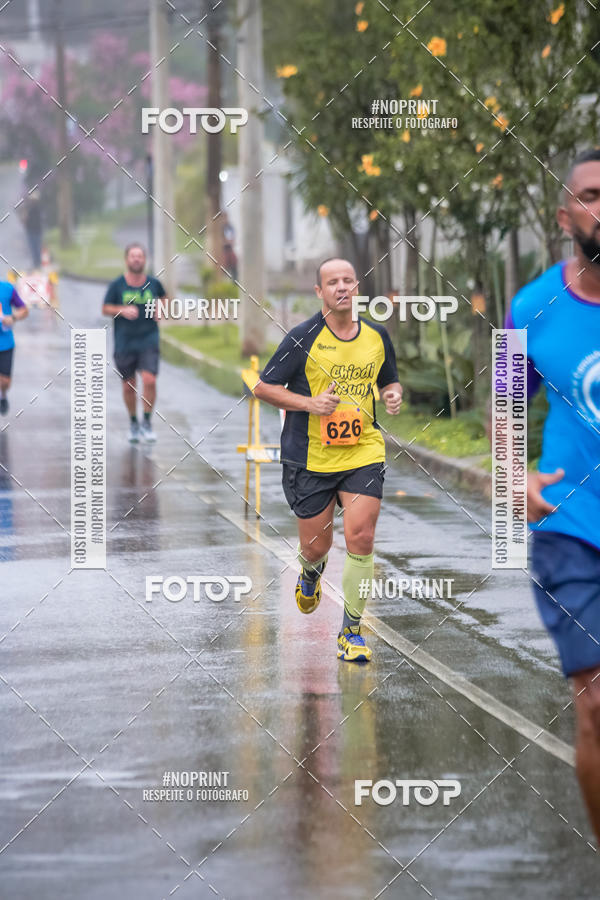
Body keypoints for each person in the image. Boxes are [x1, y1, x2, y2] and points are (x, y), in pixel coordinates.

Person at [505, 148, 600, 843]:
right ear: (566, 218)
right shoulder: (530, 307)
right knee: (595, 704)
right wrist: (514, 474)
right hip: (573, 528)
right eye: (591, 195)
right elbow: (506, 405)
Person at [254, 257, 402, 662]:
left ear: (357, 287)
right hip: (310, 457)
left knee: (362, 537)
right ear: (319, 291)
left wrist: (392, 394)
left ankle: (351, 632)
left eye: (348, 280)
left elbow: (389, 379)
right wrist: (310, 404)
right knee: (317, 546)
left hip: (363, 451)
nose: (341, 287)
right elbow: (264, 387)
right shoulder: (302, 338)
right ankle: (310, 571)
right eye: (332, 282)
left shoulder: (376, 335)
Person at [102, 243, 166, 443]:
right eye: (133, 256)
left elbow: (164, 298)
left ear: (144, 260)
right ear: (127, 260)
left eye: (140, 256)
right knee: (129, 386)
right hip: (125, 341)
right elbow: (105, 308)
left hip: (148, 338)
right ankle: (133, 423)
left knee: (150, 380)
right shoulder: (117, 285)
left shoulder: (154, 283)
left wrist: (161, 309)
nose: (136, 259)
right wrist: (121, 310)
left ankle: (146, 422)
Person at [0, 281, 28, 415]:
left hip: (5, 343)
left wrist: (13, 317)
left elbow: (24, 309)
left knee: (5, 381)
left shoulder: (7, 288)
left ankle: (3, 395)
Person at [23, 190, 43, 270]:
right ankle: (36, 264)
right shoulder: (30, 209)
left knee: (36, 248)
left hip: (35, 230)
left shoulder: (36, 209)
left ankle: (37, 264)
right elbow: (26, 220)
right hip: (32, 230)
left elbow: (27, 219)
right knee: (34, 248)